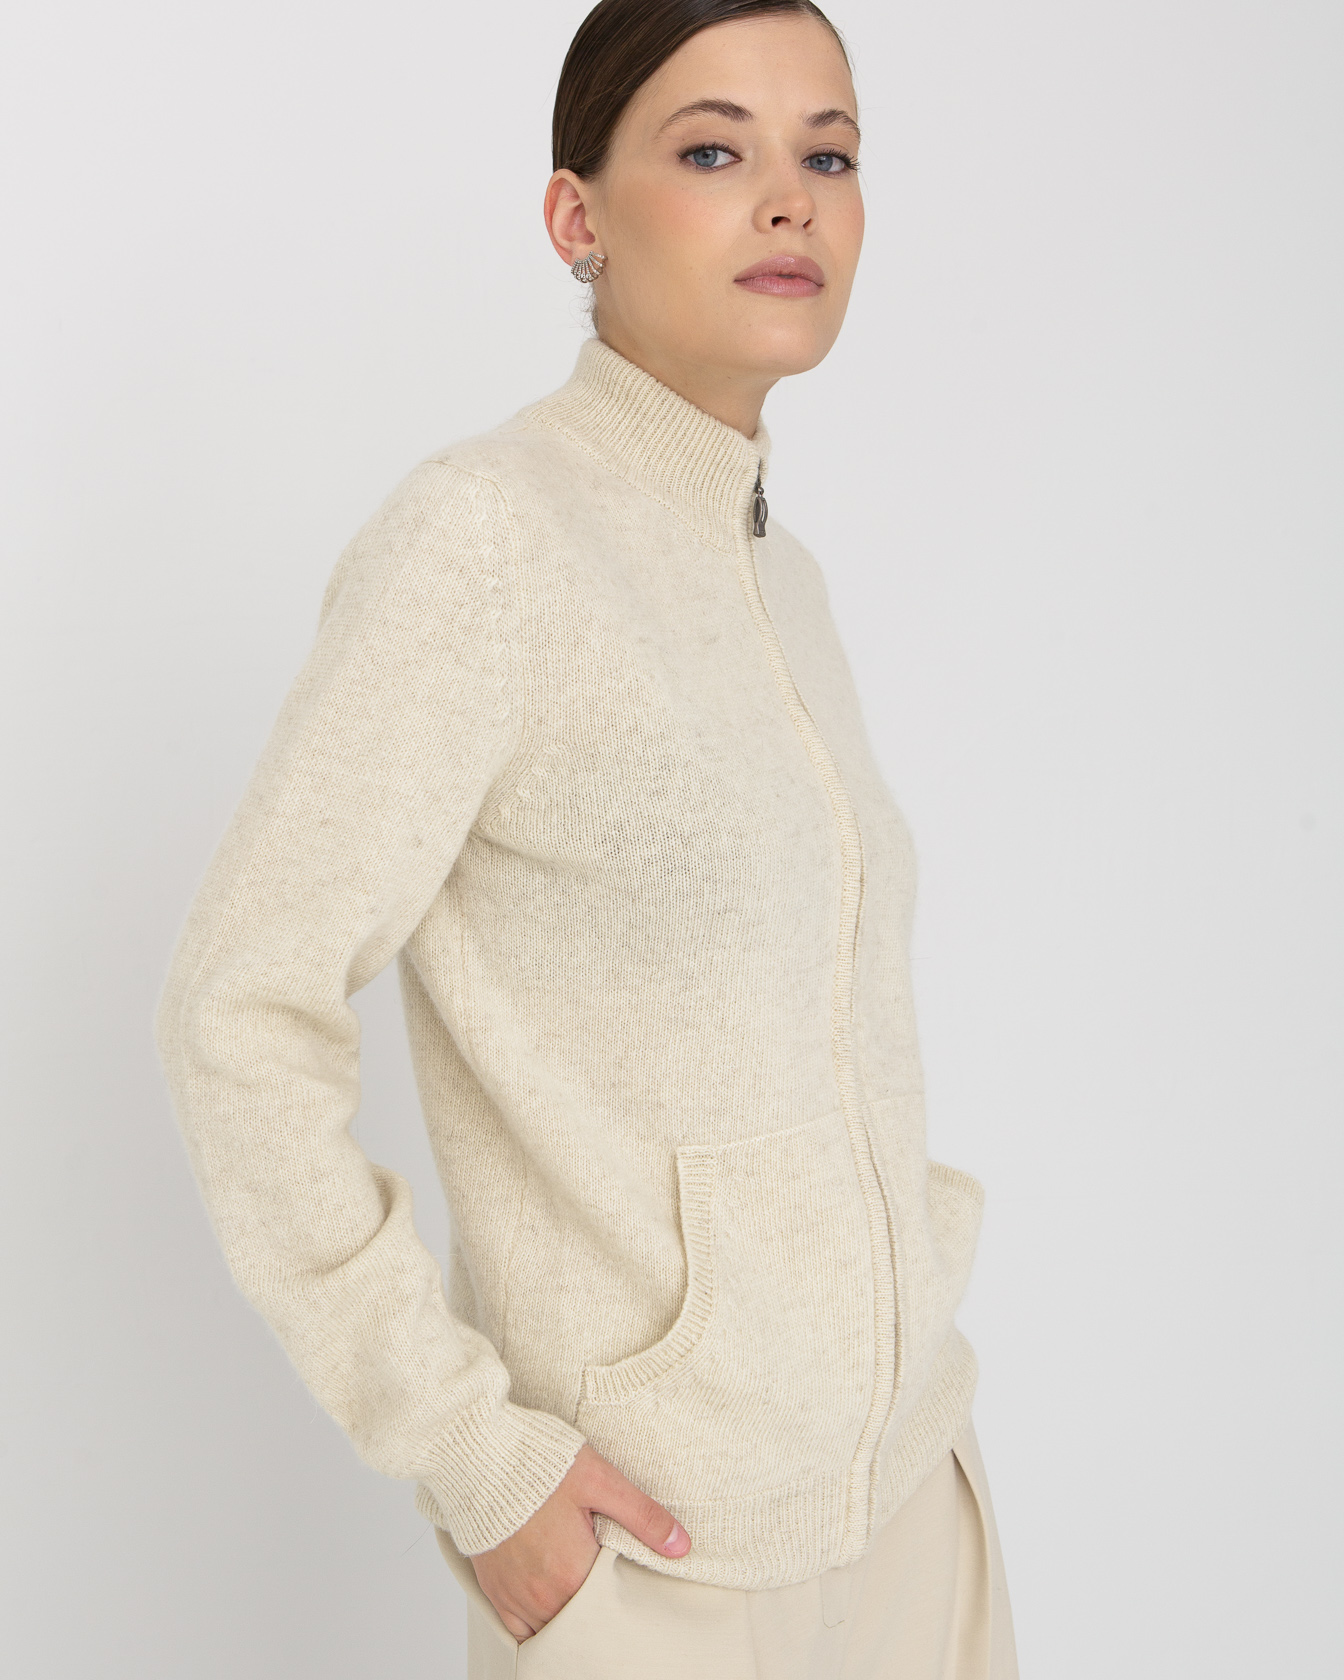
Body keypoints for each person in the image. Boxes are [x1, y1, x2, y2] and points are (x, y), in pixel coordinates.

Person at [155, 1, 1018, 1674]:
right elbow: (235, 1012)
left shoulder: (780, 575)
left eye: (830, 155)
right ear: (578, 217)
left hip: (918, 1514)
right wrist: (471, 1454)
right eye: (713, 149)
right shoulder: (482, 544)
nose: (791, 197)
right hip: (658, 1568)